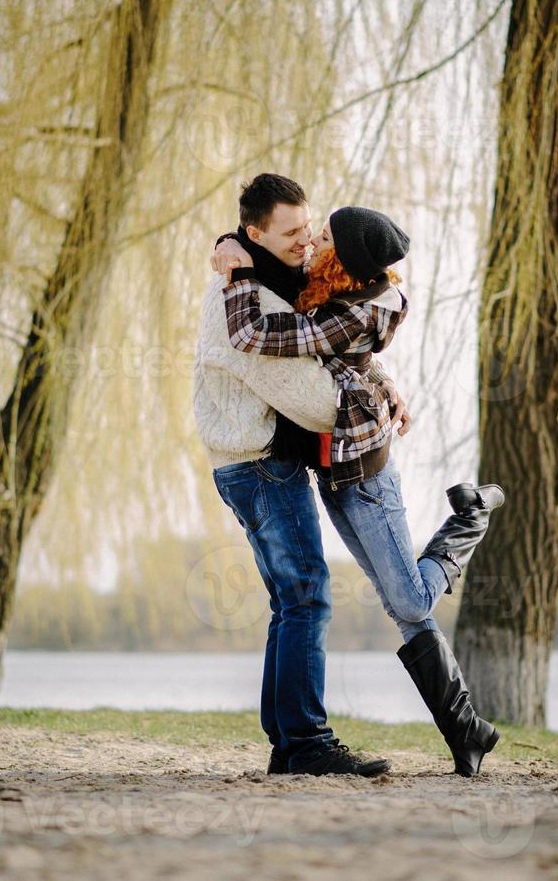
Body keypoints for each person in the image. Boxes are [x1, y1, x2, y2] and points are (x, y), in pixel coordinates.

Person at [213, 205, 506, 777]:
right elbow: (351, 359)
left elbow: (258, 332)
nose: (313, 240)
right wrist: (232, 240)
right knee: (405, 609)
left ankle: (470, 518)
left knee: (412, 603)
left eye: (323, 236)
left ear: (346, 263)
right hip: (335, 473)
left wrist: (238, 276)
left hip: (367, 479)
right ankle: (468, 733)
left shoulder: (359, 308)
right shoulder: (328, 283)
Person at [192, 174, 397, 777]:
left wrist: (380, 378)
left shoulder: (261, 273)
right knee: (308, 594)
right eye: (290, 233)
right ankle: (306, 741)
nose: (306, 243)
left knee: (291, 600)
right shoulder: (247, 298)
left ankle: (288, 743)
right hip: (258, 465)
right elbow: (315, 405)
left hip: (255, 461)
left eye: (308, 228)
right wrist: (369, 402)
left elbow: (327, 344)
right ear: (256, 234)